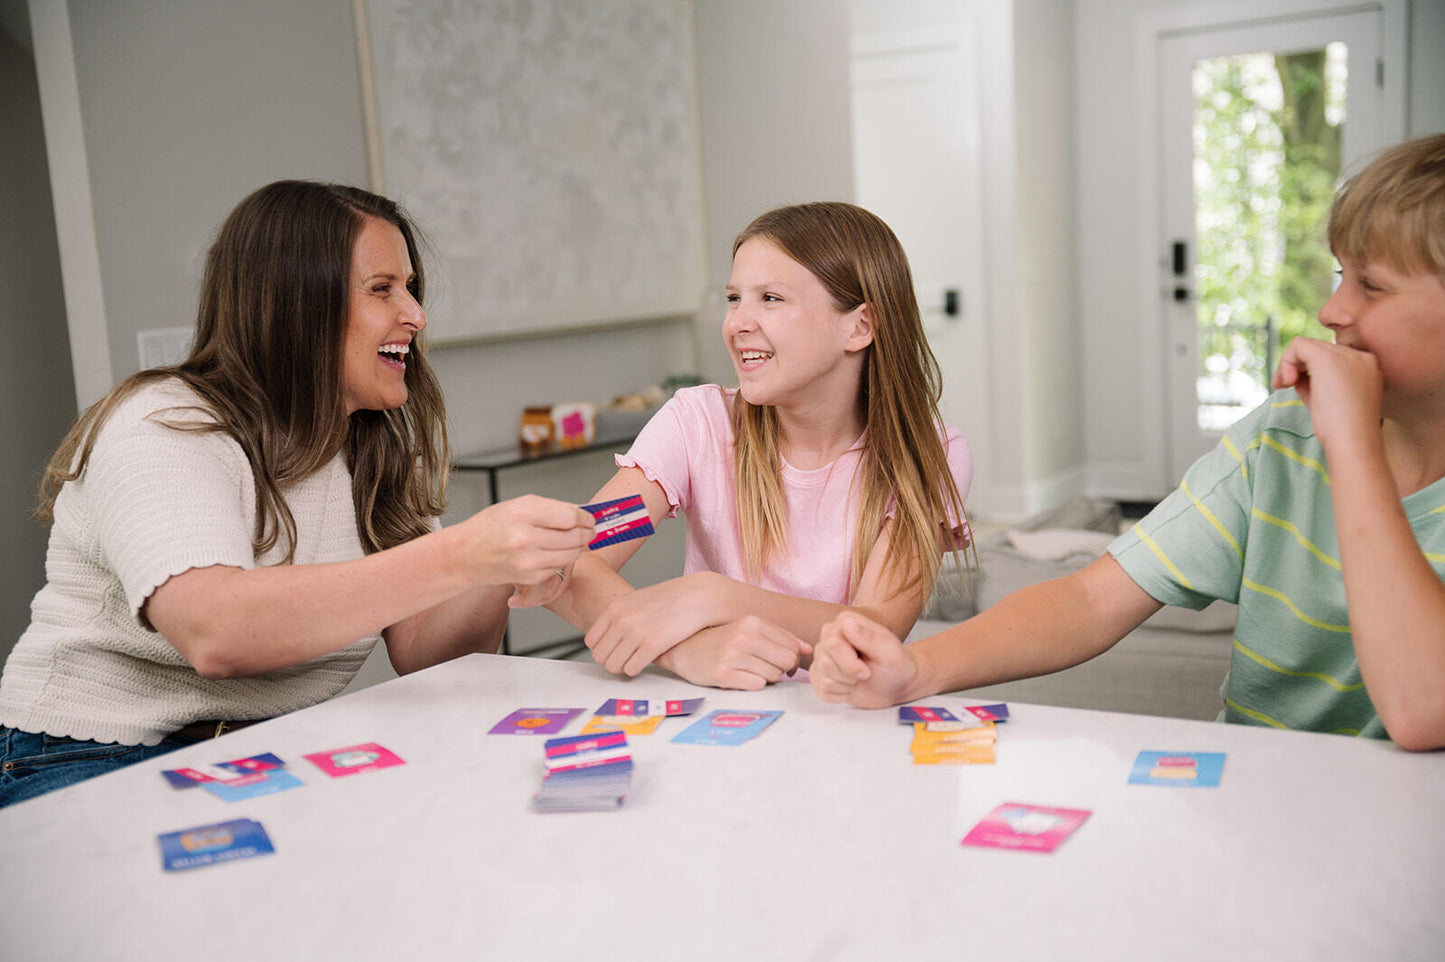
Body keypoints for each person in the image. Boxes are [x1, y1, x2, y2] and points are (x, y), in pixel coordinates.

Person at [810, 134, 1445, 752]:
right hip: (1257, 797)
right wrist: (917, 668)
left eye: (1373, 285)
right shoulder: (1277, 440)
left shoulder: (1334, 440)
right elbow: (1091, 596)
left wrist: (1352, 444)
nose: (1332, 309)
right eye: (1341, 276)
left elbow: (1423, 710)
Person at [0, 181, 596, 806]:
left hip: (266, 754)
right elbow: (218, 632)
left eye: (411, 288)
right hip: (89, 753)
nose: (416, 314)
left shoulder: (367, 444)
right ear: (297, 304)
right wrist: (461, 556)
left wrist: (498, 570)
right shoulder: (161, 425)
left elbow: (426, 650)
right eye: (382, 289)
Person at [519, 202, 974, 690]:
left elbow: (874, 633)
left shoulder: (931, 456)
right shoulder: (696, 428)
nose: (737, 323)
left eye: (771, 298)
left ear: (859, 326)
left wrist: (715, 598)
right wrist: (684, 649)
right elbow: (572, 558)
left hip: (840, 724)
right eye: (735, 298)